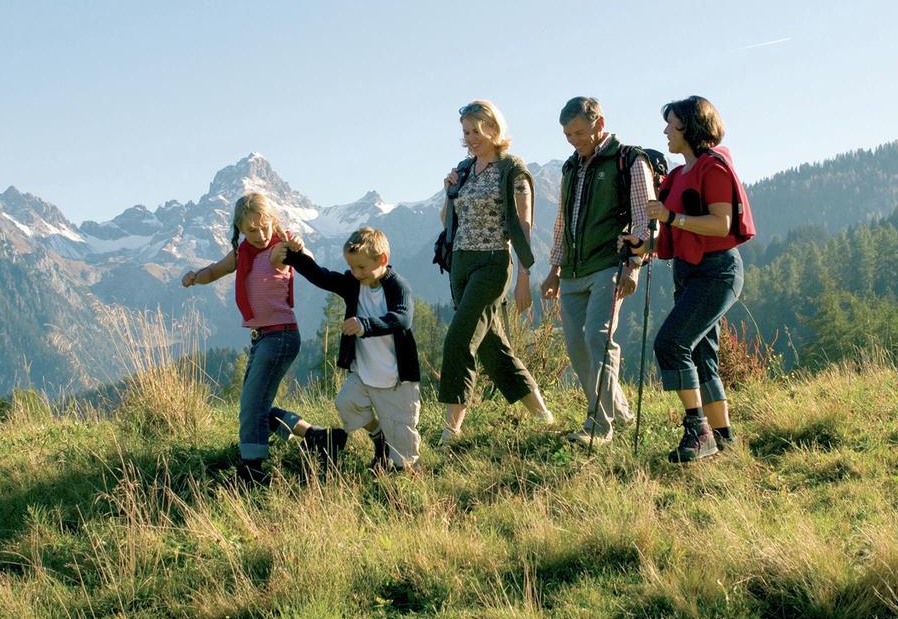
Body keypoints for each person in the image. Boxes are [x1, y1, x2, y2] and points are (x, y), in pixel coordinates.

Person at [181, 192, 345, 485]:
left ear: (273, 221)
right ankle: (318, 437)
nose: (259, 234)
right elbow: (216, 271)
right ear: (240, 230)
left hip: (280, 336)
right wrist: (195, 276)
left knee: (251, 407)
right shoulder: (242, 253)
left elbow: (304, 260)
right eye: (251, 230)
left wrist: (299, 247)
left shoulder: (278, 250)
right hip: (263, 339)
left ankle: (252, 472)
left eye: (264, 226)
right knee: (255, 405)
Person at [641, 96, 755, 463]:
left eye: (671, 124)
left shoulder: (713, 168)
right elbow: (679, 230)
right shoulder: (677, 176)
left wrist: (671, 217)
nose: (665, 131)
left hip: (717, 270)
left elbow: (720, 224)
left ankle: (697, 430)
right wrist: (645, 242)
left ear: (689, 127)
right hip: (689, 272)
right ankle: (723, 440)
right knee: (703, 354)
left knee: (671, 344)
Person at [540, 96, 656, 446]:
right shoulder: (570, 168)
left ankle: (598, 425)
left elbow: (644, 217)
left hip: (610, 263)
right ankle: (618, 410)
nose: (573, 140)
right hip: (573, 270)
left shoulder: (629, 160)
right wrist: (554, 269)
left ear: (599, 123)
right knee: (576, 345)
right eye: (567, 134)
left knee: (597, 338)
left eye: (578, 132)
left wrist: (634, 265)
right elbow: (562, 222)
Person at [438, 99, 553, 442]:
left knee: (459, 338)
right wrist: (449, 192)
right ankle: (541, 414)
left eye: (476, 130)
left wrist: (523, 277)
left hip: (492, 263)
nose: (470, 138)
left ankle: (450, 430)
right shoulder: (465, 168)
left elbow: (524, 224)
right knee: (492, 346)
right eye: (466, 132)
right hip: (460, 261)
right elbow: (448, 221)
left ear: (494, 128)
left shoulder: (512, 170)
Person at [280, 227, 421, 471]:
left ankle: (405, 479)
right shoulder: (354, 284)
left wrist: (365, 325)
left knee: (403, 441)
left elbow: (402, 318)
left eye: (361, 267)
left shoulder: (398, 286)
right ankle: (379, 437)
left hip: (397, 380)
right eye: (352, 267)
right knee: (347, 403)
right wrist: (294, 256)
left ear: (382, 260)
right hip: (364, 374)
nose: (355, 273)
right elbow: (322, 277)